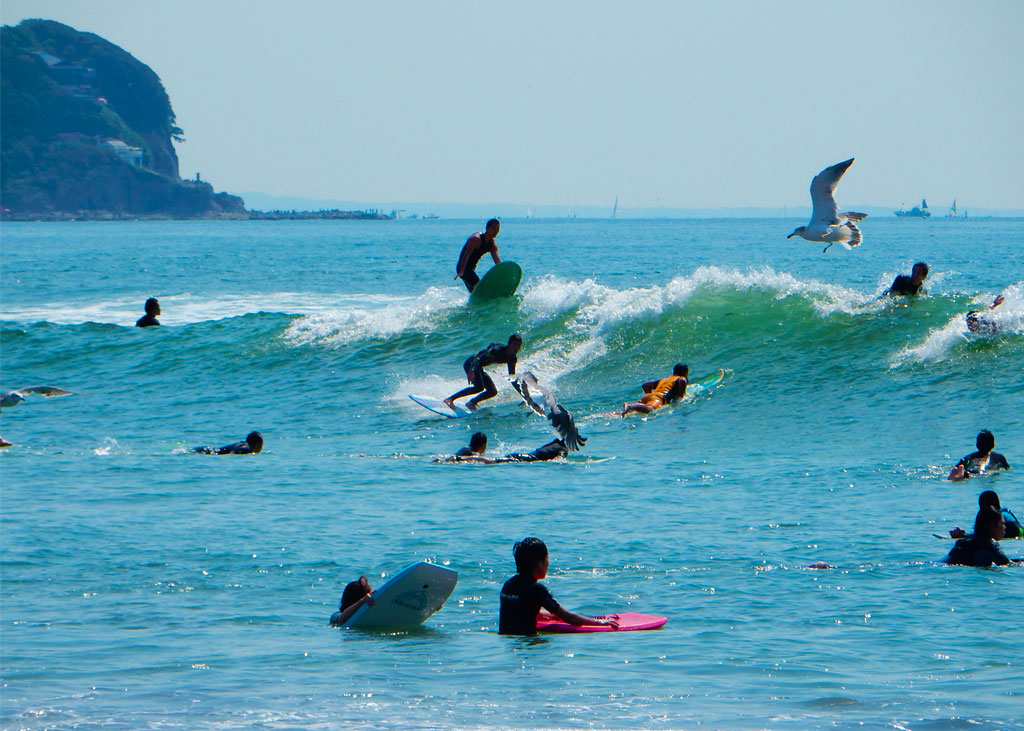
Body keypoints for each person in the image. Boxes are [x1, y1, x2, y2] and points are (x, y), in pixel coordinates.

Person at [498, 537, 618, 635]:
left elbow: (523, 609)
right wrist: (600, 623)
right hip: (528, 645)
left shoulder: (508, 585)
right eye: (547, 559)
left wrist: (551, 616)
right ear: (539, 563)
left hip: (508, 643)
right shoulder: (536, 589)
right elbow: (568, 618)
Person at [444, 334, 521, 412]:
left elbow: (512, 378)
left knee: (492, 391)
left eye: (519, 345)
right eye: (515, 344)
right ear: (509, 344)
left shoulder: (512, 359)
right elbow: (478, 359)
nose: (517, 348)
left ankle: (472, 403)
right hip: (471, 364)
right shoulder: (497, 350)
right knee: (479, 388)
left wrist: (525, 396)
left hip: (478, 367)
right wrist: (471, 371)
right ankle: (450, 399)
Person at [943, 506, 1020, 567]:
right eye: (1002, 523)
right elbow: (1007, 564)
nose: (1005, 527)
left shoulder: (965, 541)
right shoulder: (989, 544)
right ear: (992, 526)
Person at [436, 434, 568, 464]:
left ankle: (451, 459)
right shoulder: (562, 449)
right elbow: (560, 459)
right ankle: (455, 459)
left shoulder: (554, 443)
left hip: (524, 455)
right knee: (492, 461)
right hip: (527, 458)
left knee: (496, 459)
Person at [950, 490, 1023, 540]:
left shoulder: (997, 516)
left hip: (1014, 532)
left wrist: (963, 536)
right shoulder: (1003, 513)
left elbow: (980, 533)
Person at [621, 363, 689, 416]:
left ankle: (622, 410)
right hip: (658, 397)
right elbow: (682, 381)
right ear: (685, 373)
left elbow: (646, 385)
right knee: (650, 409)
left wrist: (649, 396)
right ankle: (631, 406)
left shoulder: (665, 379)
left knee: (628, 412)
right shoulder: (681, 378)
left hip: (649, 395)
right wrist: (681, 396)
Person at [454, 218, 501, 293]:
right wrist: (461, 271)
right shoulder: (476, 239)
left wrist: (503, 274)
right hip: (463, 267)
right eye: (493, 229)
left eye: (497, 229)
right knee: (479, 286)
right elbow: (466, 255)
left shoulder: (492, 245)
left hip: (471, 269)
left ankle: (473, 304)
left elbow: (497, 262)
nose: (496, 232)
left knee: (474, 292)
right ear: (487, 228)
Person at [191, 430, 263, 455]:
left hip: (206, 450)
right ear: (257, 444)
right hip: (206, 452)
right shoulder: (246, 448)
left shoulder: (243, 444)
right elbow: (237, 451)